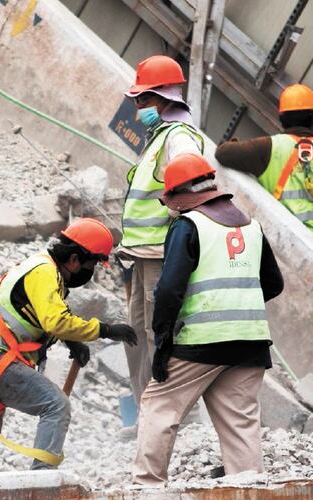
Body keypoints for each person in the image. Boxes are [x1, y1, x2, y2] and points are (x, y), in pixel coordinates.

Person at [132, 154, 284, 485]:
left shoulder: (189, 225)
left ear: (181, 195)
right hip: (251, 343)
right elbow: (274, 284)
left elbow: (169, 290)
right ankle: (249, 489)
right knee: (240, 423)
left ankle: (147, 487)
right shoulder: (251, 226)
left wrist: (162, 342)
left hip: (201, 342)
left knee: (160, 405)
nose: (171, 208)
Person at [0, 218, 138, 475]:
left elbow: (39, 315)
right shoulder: (44, 272)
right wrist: (106, 330)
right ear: (74, 259)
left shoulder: (40, 267)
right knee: (56, 406)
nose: (91, 271)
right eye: (91, 264)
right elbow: (57, 321)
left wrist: (73, 342)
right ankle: (42, 480)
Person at [119, 55, 205, 415]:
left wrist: (174, 220)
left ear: (165, 97)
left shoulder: (179, 137)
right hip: (143, 253)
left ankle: (168, 415)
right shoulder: (160, 137)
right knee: (137, 333)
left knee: (159, 334)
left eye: (144, 99)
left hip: (160, 253)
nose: (138, 107)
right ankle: (146, 412)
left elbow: (193, 182)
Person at [215, 83, 313, 264]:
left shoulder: (268, 147)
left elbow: (223, 153)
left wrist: (235, 143)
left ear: (282, 118)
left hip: (298, 242)